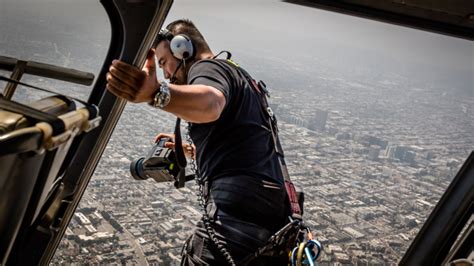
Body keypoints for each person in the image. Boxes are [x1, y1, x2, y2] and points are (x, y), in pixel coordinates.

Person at [106, 19, 291, 265]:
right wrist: (194, 149)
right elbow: (246, 142)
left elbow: (210, 104)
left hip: (235, 221)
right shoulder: (240, 77)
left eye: (163, 63)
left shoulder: (207, 69)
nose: (166, 75)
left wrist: (155, 93)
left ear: (183, 49)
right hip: (273, 223)